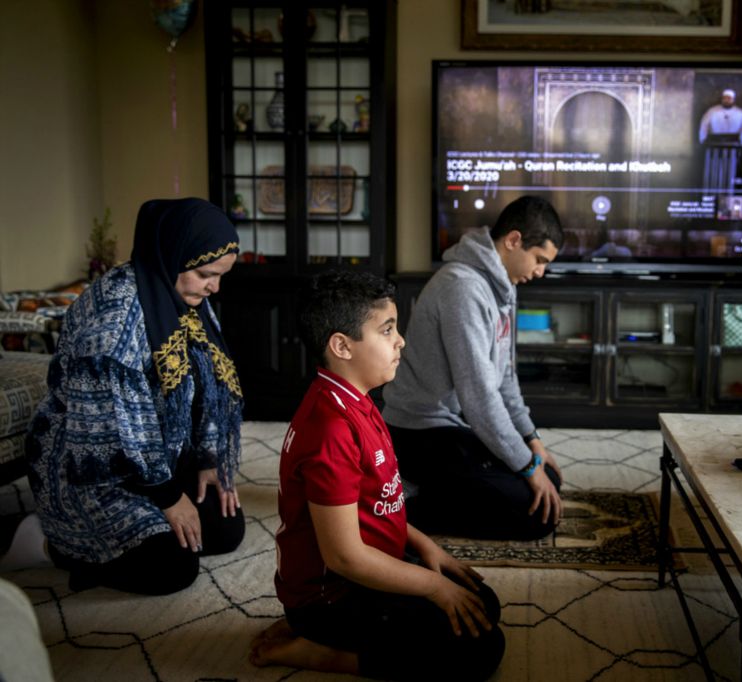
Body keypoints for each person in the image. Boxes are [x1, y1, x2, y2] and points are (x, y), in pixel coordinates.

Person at [251, 271, 504, 680]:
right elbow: (345, 556)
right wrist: (433, 586)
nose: (400, 340)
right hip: (331, 596)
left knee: (482, 603)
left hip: (370, 567)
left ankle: (329, 635)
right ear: (341, 346)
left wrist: (427, 549)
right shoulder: (329, 430)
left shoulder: (359, 399)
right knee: (482, 651)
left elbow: (381, 503)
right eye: (387, 329)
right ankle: (321, 651)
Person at [3, 198, 246, 595]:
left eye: (220, 276)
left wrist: (206, 457)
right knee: (172, 567)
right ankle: (47, 542)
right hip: (94, 467)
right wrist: (168, 498)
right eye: (206, 274)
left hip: (158, 455)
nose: (214, 287)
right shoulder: (114, 316)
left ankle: (149, 515)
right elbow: (111, 428)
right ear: (173, 254)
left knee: (224, 529)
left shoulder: (188, 299)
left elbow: (208, 383)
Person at [382, 195, 565, 540]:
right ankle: (395, 511)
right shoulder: (461, 289)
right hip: (421, 433)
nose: (540, 271)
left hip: (459, 425)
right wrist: (527, 466)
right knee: (537, 515)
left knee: (547, 482)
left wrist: (532, 440)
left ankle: (438, 490)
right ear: (513, 241)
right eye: (539, 260)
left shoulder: (503, 286)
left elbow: (505, 379)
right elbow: (479, 397)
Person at [698, 89, 742, 193]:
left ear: (733, 100)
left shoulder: (740, 113)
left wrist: (740, 141)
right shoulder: (712, 111)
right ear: (722, 99)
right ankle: (709, 196)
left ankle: (728, 194)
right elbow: (704, 126)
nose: (727, 100)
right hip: (713, 148)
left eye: (729, 98)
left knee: (729, 172)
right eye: (725, 98)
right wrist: (703, 140)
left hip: (732, 148)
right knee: (713, 172)